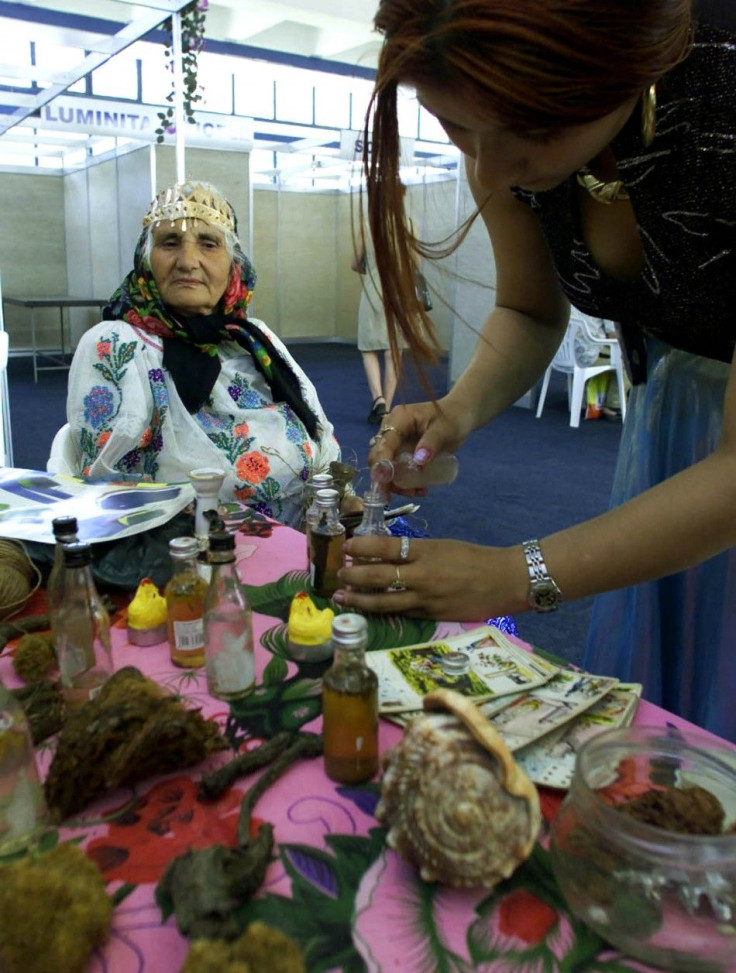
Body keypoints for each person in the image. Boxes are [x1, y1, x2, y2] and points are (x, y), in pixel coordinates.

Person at [335, 0, 736, 741]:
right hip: (668, 429)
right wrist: (460, 407)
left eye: (535, 130)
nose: (488, 167)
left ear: (627, 67)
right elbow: (527, 307)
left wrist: (515, 575)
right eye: (455, 126)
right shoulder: (502, 116)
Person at [63, 179, 353, 529]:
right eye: (170, 243)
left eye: (208, 244)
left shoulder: (252, 337)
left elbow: (319, 433)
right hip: (196, 553)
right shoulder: (119, 344)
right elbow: (109, 489)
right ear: (146, 260)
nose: (188, 261)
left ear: (234, 264)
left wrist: (338, 499)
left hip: (308, 533)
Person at [351, 187, 412, 425]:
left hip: (374, 289)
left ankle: (378, 400)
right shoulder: (409, 226)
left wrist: (373, 271)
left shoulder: (369, 225)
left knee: (368, 347)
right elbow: (414, 263)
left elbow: (355, 263)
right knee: (393, 350)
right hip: (400, 291)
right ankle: (388, 404)